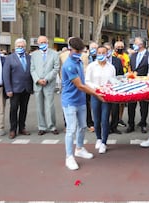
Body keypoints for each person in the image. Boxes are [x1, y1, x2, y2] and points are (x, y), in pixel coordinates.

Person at [62, 37, 104, 170]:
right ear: (70, 49)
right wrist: (96, 94)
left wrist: (96, 89)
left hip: (80, 100)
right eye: (77, 50)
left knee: (83, 126)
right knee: (71, 129)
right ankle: (69, 157)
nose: (79, 52)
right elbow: (80, 85)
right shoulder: (69, 64)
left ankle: (79, 148)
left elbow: (84, 82)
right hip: (70, 101)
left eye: (80, 50)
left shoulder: (79, 61)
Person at [85, 45, 116, 154]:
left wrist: (108, 88)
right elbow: (87, 81)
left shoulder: (111, 67)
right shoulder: (91, 66)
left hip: (107, 96)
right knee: (97, 120)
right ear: (96, 53)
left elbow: (113, 81)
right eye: (99, 53)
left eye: (104, 53)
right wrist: (97, 87)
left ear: (107, 54)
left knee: (105, 119)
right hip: (95, 94)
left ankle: (104, 142)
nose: (101, 55)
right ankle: (98, 138)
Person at [3, 38, 33, 139]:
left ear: (25, 47)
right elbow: (6, 75)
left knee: (24, 109)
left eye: (22, 46)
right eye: (18, 46)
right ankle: (12, 129)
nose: (20, 48)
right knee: (14, 109)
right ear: (15, 47)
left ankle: (22, 127)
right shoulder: (9, 58)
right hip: (14, 89)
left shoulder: (29, 58)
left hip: (26, 88)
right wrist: (8, 89)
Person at [30, 36, 60, 136]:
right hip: (38, 84)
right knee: (39, 106)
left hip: (49, 83)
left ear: (48, 43)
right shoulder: (34, 55)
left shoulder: (55, 54)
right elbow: (32, 69)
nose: (43, 44)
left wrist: (47, 79)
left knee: (50, 106)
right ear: (38, 44)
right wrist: (37, 80)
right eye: (40, 42)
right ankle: (42, 127)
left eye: (44, 42)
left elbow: (56, 68)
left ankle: (52, 126)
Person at [126, 37, 149, 134]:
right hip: (133, 83)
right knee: (131, 105)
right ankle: (131, 124)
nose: (133, 45)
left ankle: (143, 123)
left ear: (141, 44)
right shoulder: (133, 55)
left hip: (144, 83)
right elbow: (130, 68)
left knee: (144, 105)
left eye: (135, 43)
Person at [103, 42, 124, 135]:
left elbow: (121, 74)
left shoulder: (117, 61)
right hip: (103, 88)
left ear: (111, 50)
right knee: (105, 109)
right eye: (105, 50)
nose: (107, 52)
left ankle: (114, 127)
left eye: (108, 50)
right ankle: (105, 127)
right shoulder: (100, 61)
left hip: (115, 87)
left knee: (115, 108)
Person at [113, 40, 130, 127]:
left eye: (121, 48)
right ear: (114, 48)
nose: (120, 49)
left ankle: (120, 118)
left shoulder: (126, 56)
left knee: (122, 102)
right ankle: (113, 119)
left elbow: (128, 66)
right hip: (114, 80)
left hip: (124, 79)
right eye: (118, 47)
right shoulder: (112, 56)